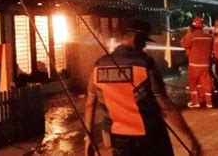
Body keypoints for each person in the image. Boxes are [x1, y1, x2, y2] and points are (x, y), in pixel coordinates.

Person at [84, 19, 200, 156]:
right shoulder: (144, 64)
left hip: (119, 138)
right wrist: (190, 138)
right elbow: (166, 106)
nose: (144, 45)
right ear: (136, 38)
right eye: (144, 40)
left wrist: (88, 138)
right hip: (150, 137)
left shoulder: (98, 66)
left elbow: (90, 104)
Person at [181, 17, 214, 108]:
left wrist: (187, 34)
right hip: (206, 64)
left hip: (194, 64)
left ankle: (196, 102)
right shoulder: (209, 37)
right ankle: (209, 102)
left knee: (193, 83)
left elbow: (184, 44)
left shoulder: (192, 36)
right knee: (206, 83)